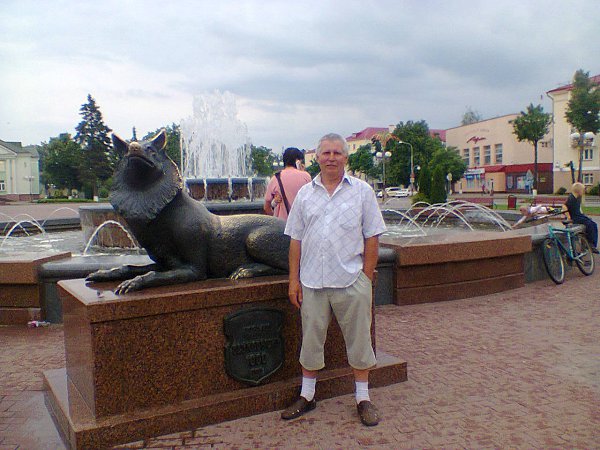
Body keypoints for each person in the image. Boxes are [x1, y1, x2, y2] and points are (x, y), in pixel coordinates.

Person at [281, 133, 386, 426]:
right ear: (316, 157)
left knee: (360, 340)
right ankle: (307, 395)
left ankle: (363, 398)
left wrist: (365, 278)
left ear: (345, 158)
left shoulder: (362, 192)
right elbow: (295, 240)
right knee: (311, 340)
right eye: (325, 153)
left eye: (337, 153)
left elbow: (372, 237)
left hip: (351, 281)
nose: (331, 158)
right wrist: (293, 281)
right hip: (312, 283)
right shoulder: (305, 194)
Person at [264, 147, 311, 220]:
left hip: (282, 223)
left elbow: (266, 207)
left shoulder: (275, 178)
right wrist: (302, 171)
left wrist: (275, 218)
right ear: (298, 161)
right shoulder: (306, 177)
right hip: (302, 223)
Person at [562, 182, 599, 253]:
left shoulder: (578, 198)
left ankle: (591, 243)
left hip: (579, 215)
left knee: (593, 224)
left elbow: (578, 208)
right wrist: (569, 217)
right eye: (583, 190)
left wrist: (583, 214)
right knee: (590, 224)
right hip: (575, 217)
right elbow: (564, 206)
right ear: (578, 190)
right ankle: (591, 244)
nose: (584, 191)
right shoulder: (571, 198)